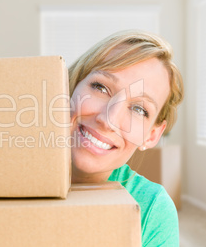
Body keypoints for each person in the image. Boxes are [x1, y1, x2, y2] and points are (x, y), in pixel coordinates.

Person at [68, 30, 184, 246]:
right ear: (70, 87)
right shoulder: (2, 174)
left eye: (139, 109)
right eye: (100, 87)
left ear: (152, 135)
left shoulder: (151, 210)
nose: (108, 119)